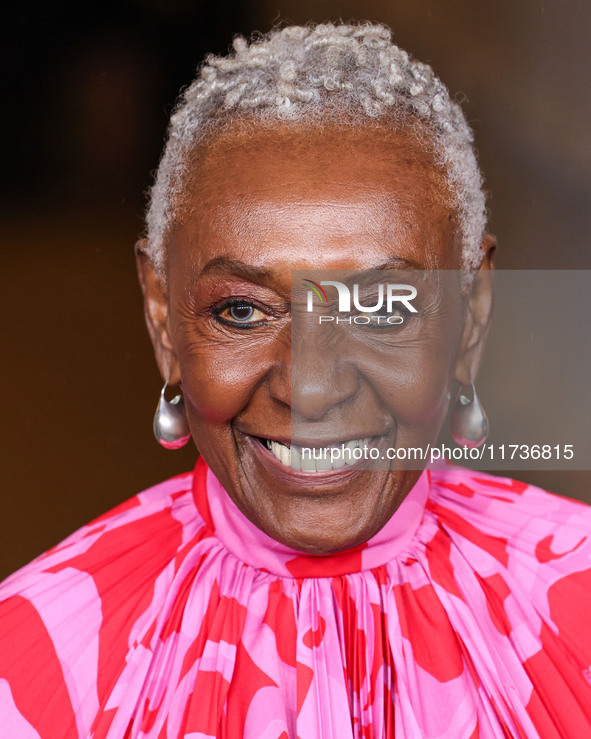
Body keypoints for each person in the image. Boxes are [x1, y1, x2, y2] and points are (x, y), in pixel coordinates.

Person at [1, 20, 590, 739]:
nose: (309, 388)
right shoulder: (32, 663)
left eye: (378, 306)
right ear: (162, 316)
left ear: (470, 314)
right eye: (242, 310)